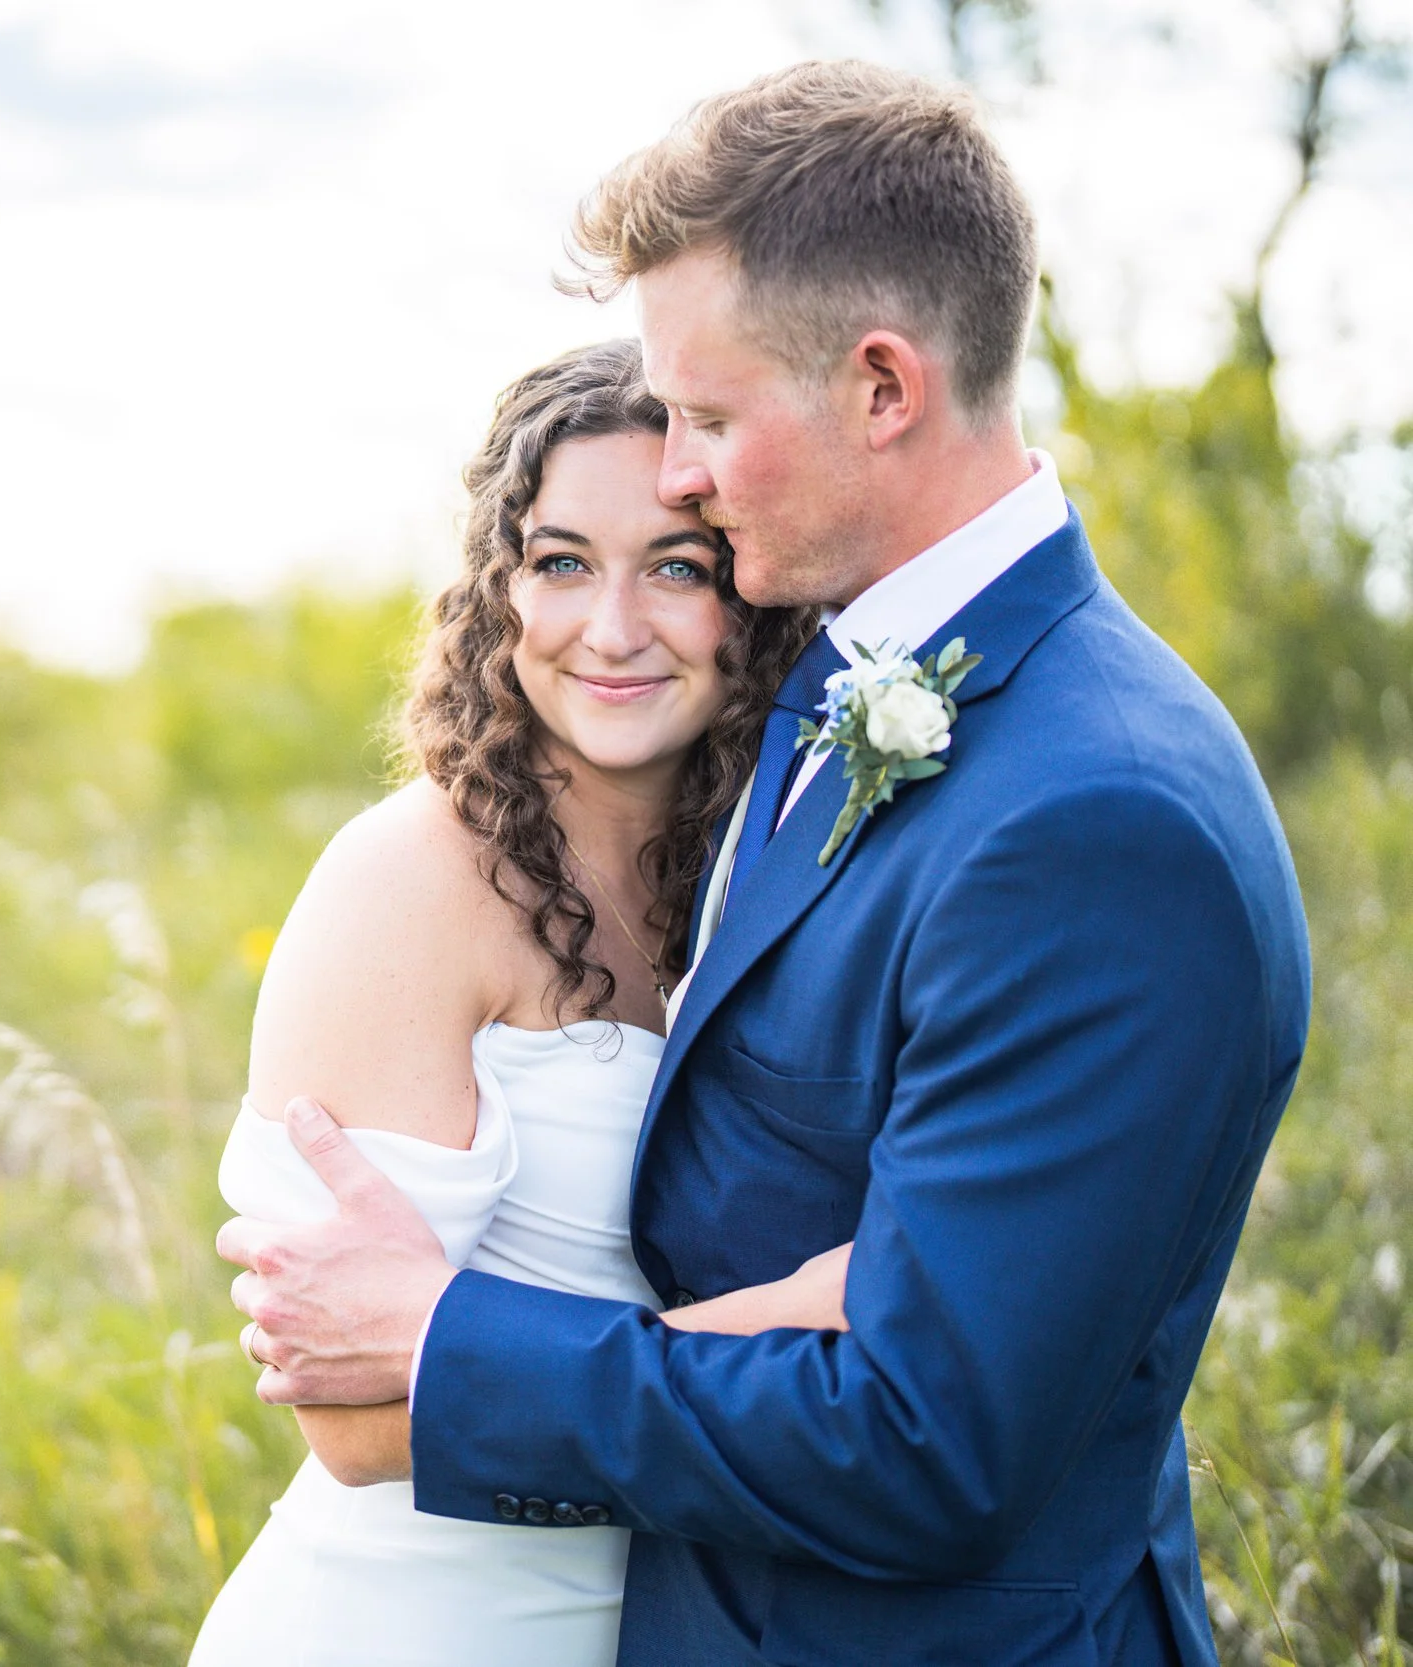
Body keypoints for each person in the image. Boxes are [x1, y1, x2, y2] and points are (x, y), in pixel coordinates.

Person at [217, 60, 1312, 1667]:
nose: (683, 473)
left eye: (712, 421)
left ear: (881, 388)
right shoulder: (836, 690)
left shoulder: (1098, 815)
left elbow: (933, 1433)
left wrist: (457, 1339)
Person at [188, 338, 837, 1666]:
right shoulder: (410, 882)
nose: (612, 627)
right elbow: (358, 1421)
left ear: (749, 596)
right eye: (561, 562)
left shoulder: (767, 869)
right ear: (499, 588)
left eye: (676, 563)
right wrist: (816, 1316)